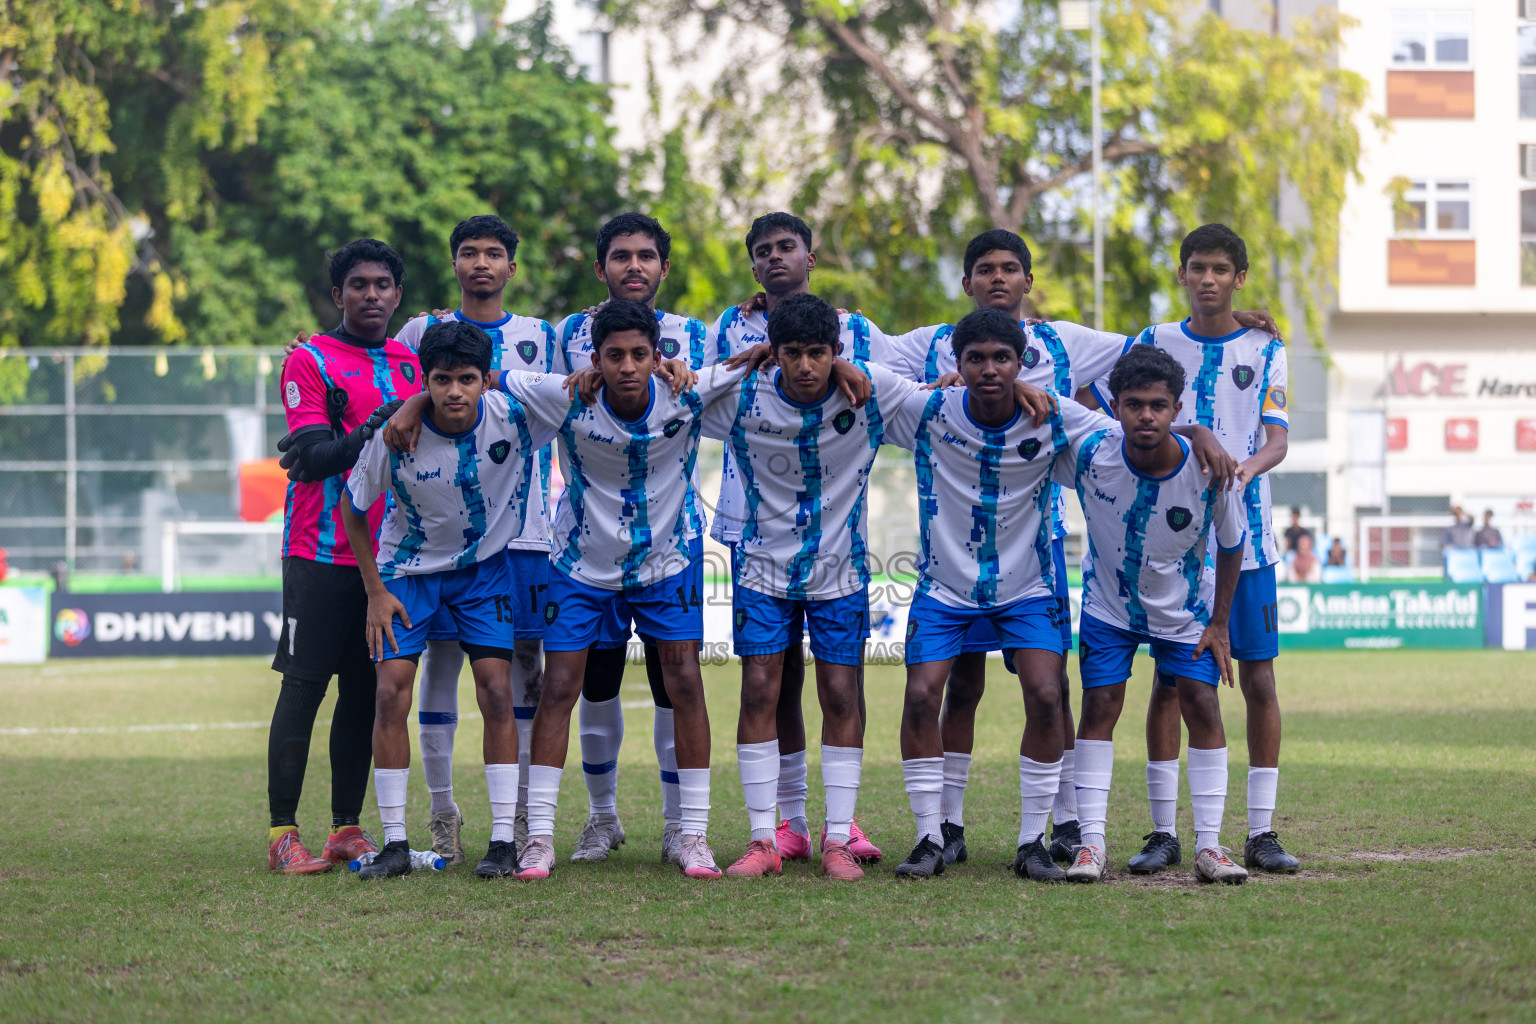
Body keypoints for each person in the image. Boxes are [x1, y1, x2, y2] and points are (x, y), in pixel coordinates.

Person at [879, 229, 1136, 868]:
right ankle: (937, 833)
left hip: (1031, 570)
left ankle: (1039, 838)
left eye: (1002, 359)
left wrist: (1191, 430)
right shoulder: (928, 404)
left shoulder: (1053, 397)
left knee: (1049, 694)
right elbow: (851, 360)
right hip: (945, 580)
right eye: (976, 360)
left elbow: (1129, 422)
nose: (989, 369)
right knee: (936, 693)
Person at [494, 299, 748, 880]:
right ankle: (540, 838)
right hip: (581, 566)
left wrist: (843, 365)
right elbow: (492, 373)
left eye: (639, 354)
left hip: (667, 562)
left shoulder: (686, 393)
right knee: (559, 686)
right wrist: (408, 409)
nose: (627, 366)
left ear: (659, 356)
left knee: (685, 682)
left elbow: (753, 360)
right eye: (614, 356)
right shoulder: (565, 394)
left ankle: (694, 835)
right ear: (594, 359)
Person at [1085, 223, 1298, 875]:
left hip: (1245, 540)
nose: (1207, 279)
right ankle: (1163, 832)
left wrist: (1242, 469)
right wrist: (1192, 429)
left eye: (1220, 269)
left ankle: (1260, 832)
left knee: (1257, 679)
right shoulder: (1153, 341)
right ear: (1181, 274)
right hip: (1168, 544)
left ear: (1239, 278)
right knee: (1171, 681)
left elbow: (1278, 437)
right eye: (1196, 267)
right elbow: (1119, 412)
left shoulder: (1266, 343)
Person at [697, 294, 925, 881]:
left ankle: (837, 840)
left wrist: (859, 370)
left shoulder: (867, 399)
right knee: (757, 693)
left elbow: (946, 404)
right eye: (792, 354)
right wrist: (738, 363)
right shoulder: (743, 397)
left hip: (840, 573)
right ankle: (763, 840)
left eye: (817, 354)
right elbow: (671, 392)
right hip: (759, 572)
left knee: (841, 695)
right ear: (774, 353)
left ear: (836, 353)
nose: (804, 366)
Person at [341, 320, 559, 880]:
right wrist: (374, 591)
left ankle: (503, 841)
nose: (454, 392)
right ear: (425, 379)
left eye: (466, 378)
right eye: (441, 380)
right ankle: (394, 842)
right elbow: (353, 508)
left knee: (496, 691)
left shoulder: (515, 417)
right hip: (407, 573)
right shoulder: (396, 434)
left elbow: (584, 393)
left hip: (483, 572)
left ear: (487, 380)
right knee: (390, 693)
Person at [387, 215, 559, 866]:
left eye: (493, 253)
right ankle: (440, 811)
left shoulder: (541, 336)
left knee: (520, 674)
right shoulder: (419, 332)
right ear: (454, 263)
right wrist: (406, 405)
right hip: (435, 538)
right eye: (468, 252)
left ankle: (512, 817)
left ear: (511, 267)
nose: (481, 263)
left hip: (525, 532)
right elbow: (402, 395)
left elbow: (568, 402)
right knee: (439, 665)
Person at [1058, 344, 1249, 884]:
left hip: (1185, 614)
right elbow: (1045, 405)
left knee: (1203, 708)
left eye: (1159, 406)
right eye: (1134, 404)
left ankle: (1210, 847)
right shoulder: (1092, 453)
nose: (1146, 416)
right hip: (1108, 607)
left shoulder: (1212, 471)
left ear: (1176, 409)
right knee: (1100, 707)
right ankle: (1090, 844)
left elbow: (1233, 544)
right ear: (1115, 406)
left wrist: (1218, 622)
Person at [553, 213, 709, 865]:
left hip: (673, 540)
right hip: (590, 542)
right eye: (621, 256)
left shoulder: (694, 336)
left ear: (664, 269)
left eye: (647, 256)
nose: (634, 266)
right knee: (595, 683)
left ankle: (681, 827)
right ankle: (602, 818)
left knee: (679, 682)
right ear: (601, 268)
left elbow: (725, 378)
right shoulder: (567, 335)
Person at [265, 239, 416, 874]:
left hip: (388, 559)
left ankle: (346, 828)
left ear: (398, 295)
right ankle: (282, 834)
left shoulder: (413, 361)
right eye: (359, 285)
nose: (372, 294)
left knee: (364, 690)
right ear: (338, 295)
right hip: (319, 552)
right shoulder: (309, 359)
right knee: (304, 688)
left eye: (383, 284)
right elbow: (312, 458)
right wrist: (368, 431)